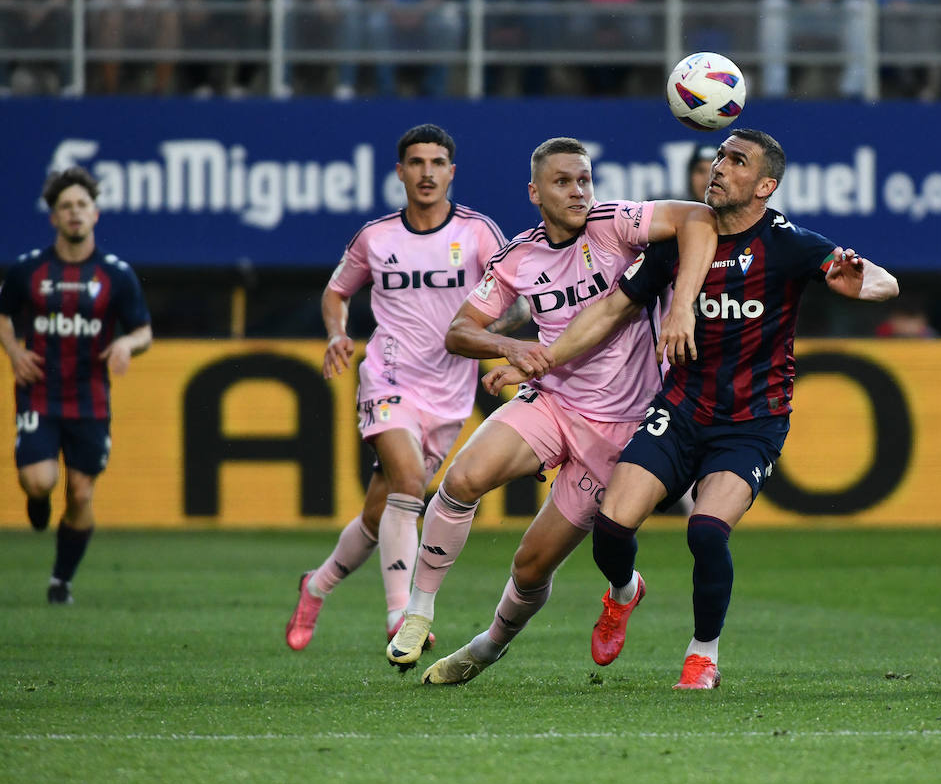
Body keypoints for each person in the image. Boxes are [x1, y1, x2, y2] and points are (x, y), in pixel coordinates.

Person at [490, 128, 899, 689]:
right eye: (719, 157)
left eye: (736, 161)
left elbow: (882, 282)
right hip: (679, 410)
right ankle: (623, 591)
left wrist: (866, 282)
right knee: (610, 525)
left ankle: (703, 652)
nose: (719, 167)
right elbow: (611, 310)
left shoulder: (787, 244)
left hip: (751, 422)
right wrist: (537, 361)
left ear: (765, 186)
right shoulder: (675, 247)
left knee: (706, 531)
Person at [384, 137, 716, 682]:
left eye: (585, 179)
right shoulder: (518, 256)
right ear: (535, 192)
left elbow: (700, 218)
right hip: (553, 400)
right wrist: (511, 347)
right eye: (564, 181)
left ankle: (489, 647)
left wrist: (681, 307)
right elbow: (459, 331)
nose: (579, 190)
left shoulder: (617, 224)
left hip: (620, 426)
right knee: (465, 477)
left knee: (531, 565)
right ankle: (419, 611)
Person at [285, 124, 516, 651]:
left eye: (437, 163)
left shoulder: (480, 234)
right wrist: (337, 334)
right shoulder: (376, 237)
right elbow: (336, 291)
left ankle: (316, 584)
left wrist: (498, 335)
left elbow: (515, 297)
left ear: (451, 172)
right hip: (387, 376)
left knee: (379, 512)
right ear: (400, 172)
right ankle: (401, 618)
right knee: (410, 484)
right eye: (416, 162)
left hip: (450, 393)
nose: (427, 172)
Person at [0, 168, 153, 604]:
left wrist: (126, 342)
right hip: (40, 392)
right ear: (53, 218)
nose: (74, 213)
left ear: (95, 214)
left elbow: (144, 331)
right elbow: (3, 314)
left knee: (81, 493)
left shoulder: (115, 275)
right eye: (65, 206)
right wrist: (13, 353)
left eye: (81, 205)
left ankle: (60, 581)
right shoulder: (29, 269)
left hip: (90, 399)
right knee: (39, 482)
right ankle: (37, 500)